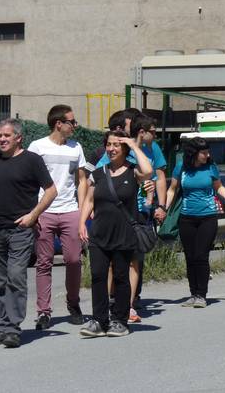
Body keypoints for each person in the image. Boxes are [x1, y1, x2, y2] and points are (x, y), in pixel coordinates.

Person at [0, 119, 58, 348]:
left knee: (15, 276)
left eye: (6, 136)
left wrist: (33, 216)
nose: (1, 139)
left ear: (18, 138)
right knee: (0, 280)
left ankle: (13, 328)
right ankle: (2, 327)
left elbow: (51, 191)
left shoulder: (32, 161)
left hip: (20, 230)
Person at [79, 130, 152, 337]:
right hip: (99, 234)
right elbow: (90, 201)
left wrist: (134, 145)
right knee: (98, 276)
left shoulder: (133, 172)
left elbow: (148, 170)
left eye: (116, 145)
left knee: (121, 277)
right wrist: (81, 223)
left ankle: (120, 320)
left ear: (124, 149)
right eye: (109, 145)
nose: (111, 149)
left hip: (124, 234)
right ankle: (98, 320)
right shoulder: (98, 173)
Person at [96, 111, 166, 323]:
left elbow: (156, 175)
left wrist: (158, 204)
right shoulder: (112, 153)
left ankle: (129, 304)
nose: (123, 131)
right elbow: (95, 178)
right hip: (115, 213)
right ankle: (110, 303)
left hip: (139, 213)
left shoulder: (149, 150)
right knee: (112, 264)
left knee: (134, 261)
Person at [28, 105, 88, 330]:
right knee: (43, 262)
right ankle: (44, 312)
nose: (75, 125)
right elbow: (29, 180)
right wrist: (33, 211)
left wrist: (82, 211)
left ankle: (74, 304)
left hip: (70, 210)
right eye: (72, 121)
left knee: (74, 259)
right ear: (58, 124)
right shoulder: (37, 147)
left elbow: (82, 180)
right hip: (44, 212)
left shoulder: (76, 148)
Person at [164, 137, 225, 308]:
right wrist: (163, 208)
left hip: (208, 217)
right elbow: (172, 189)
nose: (207, 155)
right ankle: (193, 293)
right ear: (194, 153)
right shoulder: (181, 167)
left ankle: (201, 295)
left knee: (201, 255)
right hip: (186, 217)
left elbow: (218, 187)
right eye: (204, 152)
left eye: (207, 151)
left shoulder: (211, 167)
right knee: (190, 257)